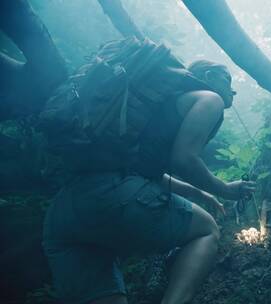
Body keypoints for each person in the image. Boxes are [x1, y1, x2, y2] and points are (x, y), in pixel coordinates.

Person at [42, 59, 256, 304]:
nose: (233, 90)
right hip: (115, 196)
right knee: (206, 230)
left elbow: (147, 174)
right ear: (208, 75)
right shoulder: (210, 99)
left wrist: (201, 193)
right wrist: (225, 189)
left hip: (66, 213)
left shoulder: (153, 111)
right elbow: (184, 159)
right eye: (227, 80)